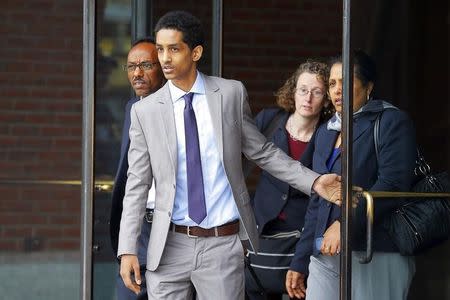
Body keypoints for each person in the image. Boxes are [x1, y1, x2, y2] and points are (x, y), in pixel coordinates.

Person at [117, 10, 341, 300]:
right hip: (168, 246)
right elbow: (136, 184)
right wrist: (127, 248)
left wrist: (315, 182)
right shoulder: (144, 111)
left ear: (195, 52)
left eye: (174, 49)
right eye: (160, 49)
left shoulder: (230, 94)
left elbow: (263, 152)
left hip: (221, 245)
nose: (165, 58)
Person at [286, 50, 417, 300]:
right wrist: (300, 260)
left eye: (345, 82)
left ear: (368, 86)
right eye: (332, 84)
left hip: (375, 250)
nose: (337, 90)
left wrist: (344, 225)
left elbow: (392, 186)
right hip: (324, 253)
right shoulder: (326, 131)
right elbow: (317, 199)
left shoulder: (391, 121)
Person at [245, 60, 332, 299]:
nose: (308, 98)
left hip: (303, 233)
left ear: (325, 99)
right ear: (292, 91)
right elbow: (238, 166)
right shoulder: (270, 120)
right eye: (303, 90)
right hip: (261, 229)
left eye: (317, 92)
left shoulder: (329, 134)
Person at [109, 37, 165, 300]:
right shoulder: (132, 107)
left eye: (145, 65)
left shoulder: (182, 109)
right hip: (139, 226)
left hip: (174, 229)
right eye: (131, 66)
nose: (137, 73)